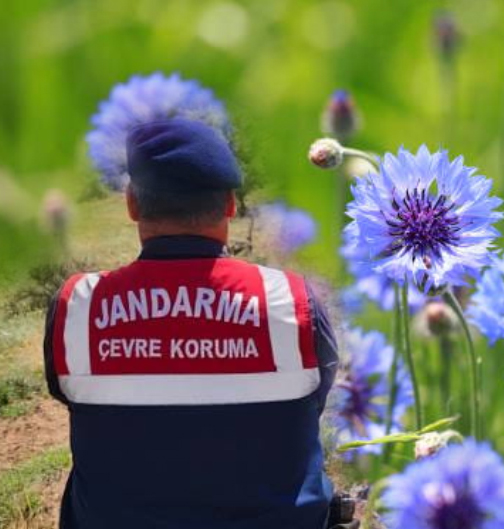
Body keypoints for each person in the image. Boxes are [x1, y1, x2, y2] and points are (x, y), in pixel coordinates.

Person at [43, 118, 346, 529]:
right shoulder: (293, 301)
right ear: (230, 205)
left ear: (132, 204)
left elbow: (71, 397)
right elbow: (315, 400)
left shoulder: (76, 306)